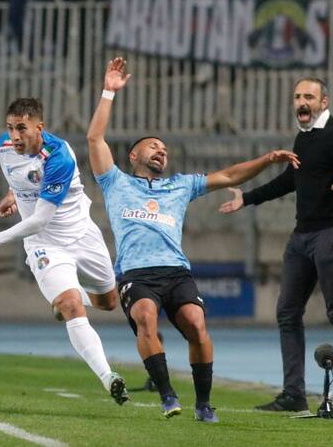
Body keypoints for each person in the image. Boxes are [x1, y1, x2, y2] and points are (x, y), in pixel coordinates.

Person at [87, 57, 299, 423]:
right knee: (146, 318)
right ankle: (168, 396)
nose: (161, 151)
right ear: (134, 155)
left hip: (176, 272)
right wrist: (109, 90)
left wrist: (267, 160)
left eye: (165, 149)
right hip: (137, 274)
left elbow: (230, 174)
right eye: (154, 146)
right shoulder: (115, 182)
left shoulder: (181, 185)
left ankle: (203, 404)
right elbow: (94, 137)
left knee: (198, 327)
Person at [0, 98, 129, 405]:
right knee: (74, 306)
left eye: (21, 128)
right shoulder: (4, 147)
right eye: (10, 128)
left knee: (109, 302)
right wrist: (11, 194)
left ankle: (64, 299)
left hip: (82, 236)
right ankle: (109, 377)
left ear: (39, 128)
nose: (14, 136)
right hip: (45, 246)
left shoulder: (59, 156)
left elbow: (39, 219)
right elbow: (19, 181)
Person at [220, 77, 333, 414]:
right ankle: (293, 394)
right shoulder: (303, 139)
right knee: (287, 312)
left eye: (309, 97)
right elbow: (290, 180)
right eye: (297, 97)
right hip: (301, 236)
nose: (302, 102)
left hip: (332, 233)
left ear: (324, 101)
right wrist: (247, 198)